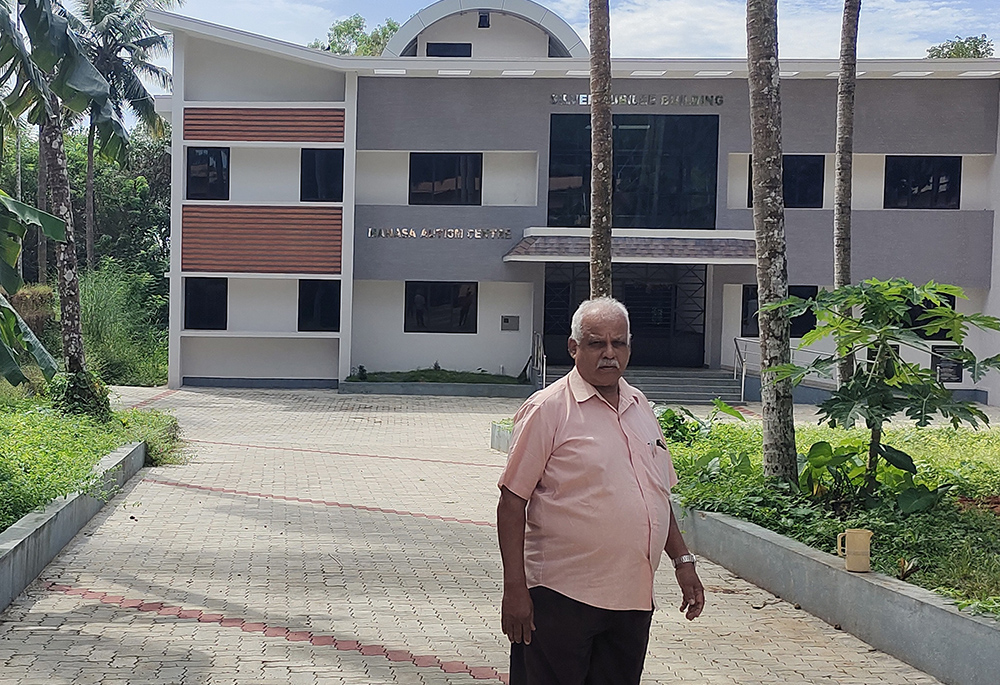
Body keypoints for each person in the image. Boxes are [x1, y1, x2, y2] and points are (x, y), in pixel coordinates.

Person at [497, 296, 705, 685]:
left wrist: (683, 561)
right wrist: (515, 589)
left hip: (631, 600)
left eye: (618, 343)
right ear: (574, 348)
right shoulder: (547, 409)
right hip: (560, 597)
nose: (609, 354)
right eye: (596, 343)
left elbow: (657, 493)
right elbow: (511, 502)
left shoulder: (639, 404)